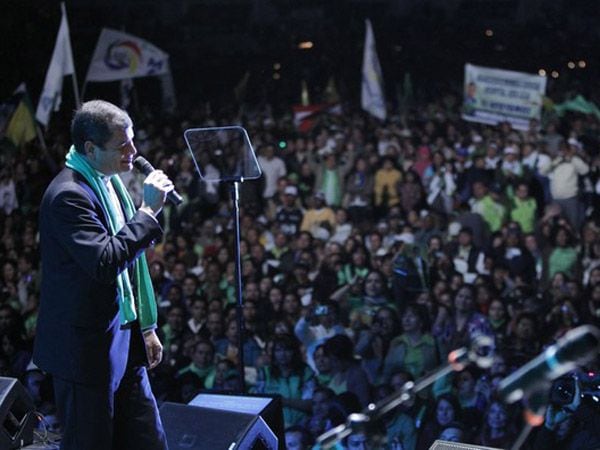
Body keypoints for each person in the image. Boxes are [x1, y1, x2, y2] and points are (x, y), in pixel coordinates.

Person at [33, 100, 173, 450]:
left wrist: (146, 327)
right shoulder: (68, 196)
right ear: (91, 149)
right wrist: (147, 211)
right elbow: (106, 262)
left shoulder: (108, 181)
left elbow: (132, 264)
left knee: (149, 442)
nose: (133, 152)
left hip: (124, 339)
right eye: (122, 145)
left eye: (132, 140)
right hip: (86, 353)